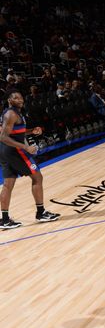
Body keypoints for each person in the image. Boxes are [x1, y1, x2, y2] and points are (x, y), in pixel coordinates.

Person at [0, 91, 60, 229]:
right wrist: (25, 147)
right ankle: (41, 212)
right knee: (37, 177)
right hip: (15, 151)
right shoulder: (11, 114)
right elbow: (3, 136)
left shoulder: (12, 113)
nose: (20, 99)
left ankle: (4, 219)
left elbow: (14, 132)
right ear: (9, 100)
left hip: (4, 151)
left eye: (21, 97)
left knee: (8, 184)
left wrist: (31, 131)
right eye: (15, 97)